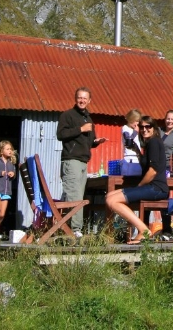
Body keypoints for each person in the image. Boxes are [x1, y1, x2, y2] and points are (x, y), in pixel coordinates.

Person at [106, 115, 169, 244]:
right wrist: (135, 149)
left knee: (112, 200)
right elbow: (147, 165)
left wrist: (139, 186)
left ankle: (143, 230)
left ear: (154, 128)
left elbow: (153, 171)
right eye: (142, 127)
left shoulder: (154, 142)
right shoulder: (149, 144)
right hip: (152, 187)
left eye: (148, 127)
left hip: (156, 188)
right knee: (110, 195)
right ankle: (117, 232)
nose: (144, 129)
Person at [56, 87, 106, 238]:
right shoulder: (68, 115)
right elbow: (61, 134)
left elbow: (89, 141)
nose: (82, 100)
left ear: (89, 100)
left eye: (85, 98)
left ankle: (75, 228)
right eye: (80, 97)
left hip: (83, 161)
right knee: (74, 195)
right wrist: (80, 129)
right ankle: (74, 230)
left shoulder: (88, 118)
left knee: (79, 195)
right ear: (75, 98)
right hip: (71, 161)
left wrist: (96, 142)